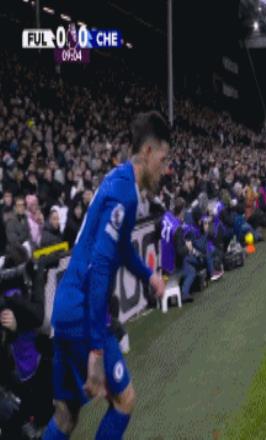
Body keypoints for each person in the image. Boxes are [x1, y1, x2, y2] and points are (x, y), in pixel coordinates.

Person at [43, 111, 168, 440]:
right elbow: (100, 266)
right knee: (124, 400)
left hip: (65, 308)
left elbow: (121, 247)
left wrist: (148, 276)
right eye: (164, 159)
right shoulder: (123, 194)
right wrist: (97, 351)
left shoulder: (118, 180)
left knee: (66, 415)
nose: (165, 169)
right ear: (148, 152)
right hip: (83, 312)